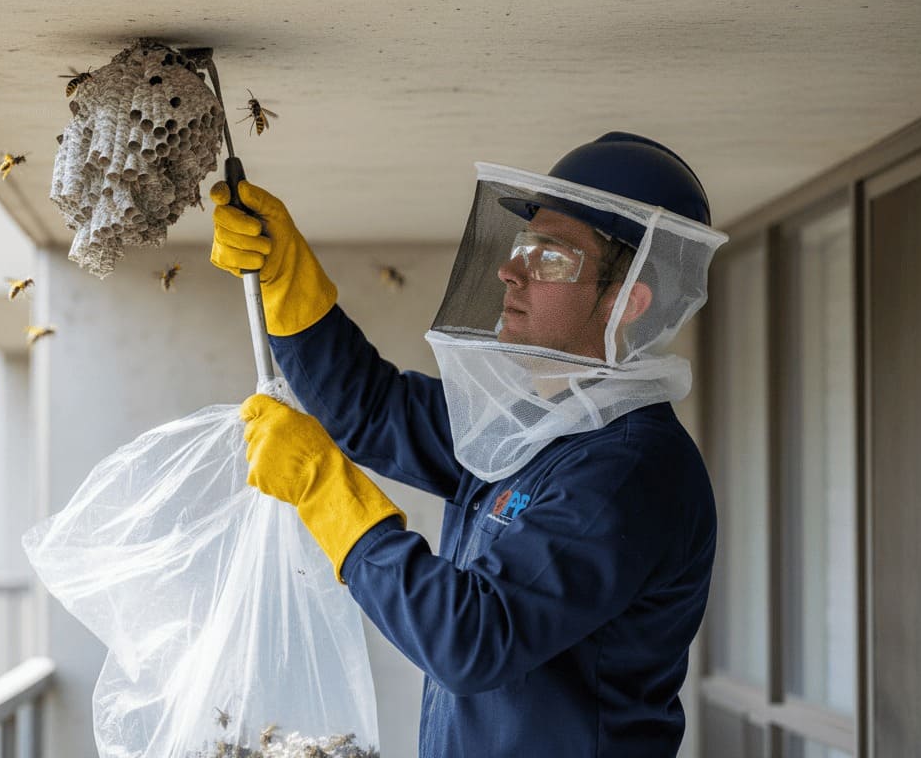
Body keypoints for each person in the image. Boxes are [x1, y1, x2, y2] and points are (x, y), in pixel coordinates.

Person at [211, 131, 728, 757]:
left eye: (552, 258)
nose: (512, 271)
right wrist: (287, 281)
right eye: (524, 246)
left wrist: (326, 488)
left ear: (626, 302)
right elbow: (373, 410)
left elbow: (472, 641)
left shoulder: (626, 471)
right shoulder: (542, 426)